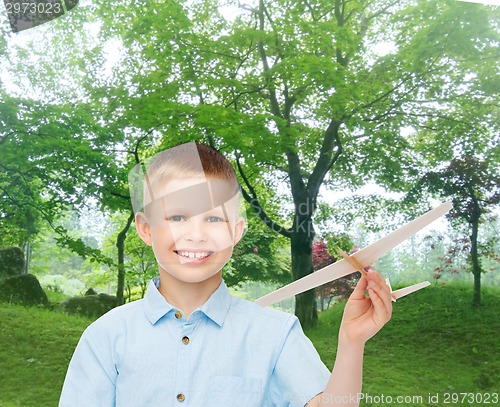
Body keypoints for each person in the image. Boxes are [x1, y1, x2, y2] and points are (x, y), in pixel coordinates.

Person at [59, 142, 392, 407]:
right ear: (146, 229)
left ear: (236, 230)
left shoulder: (275, 333)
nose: (196, 234)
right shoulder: (105, 336)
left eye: (214, 219)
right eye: (177, 217)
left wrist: (352, 342)